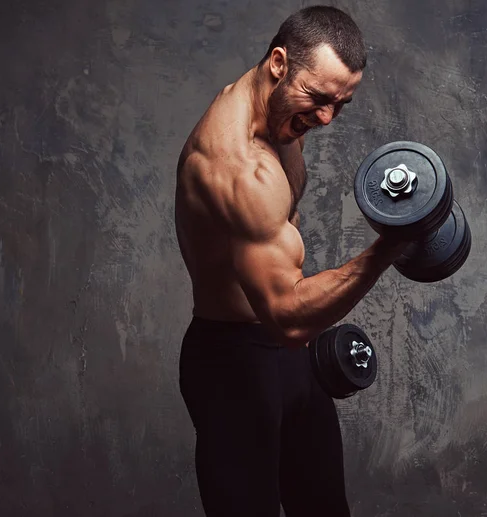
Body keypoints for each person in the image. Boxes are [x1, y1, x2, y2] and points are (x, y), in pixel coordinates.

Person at [174, 5, 407, 516]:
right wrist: (386, 250)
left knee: (324, 507)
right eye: (319, 99)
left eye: (340, 105)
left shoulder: (281, 114)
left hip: (290, 362)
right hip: (234, 364)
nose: (325, 118)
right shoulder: (232, 166)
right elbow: (286, 318)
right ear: (278, 63)